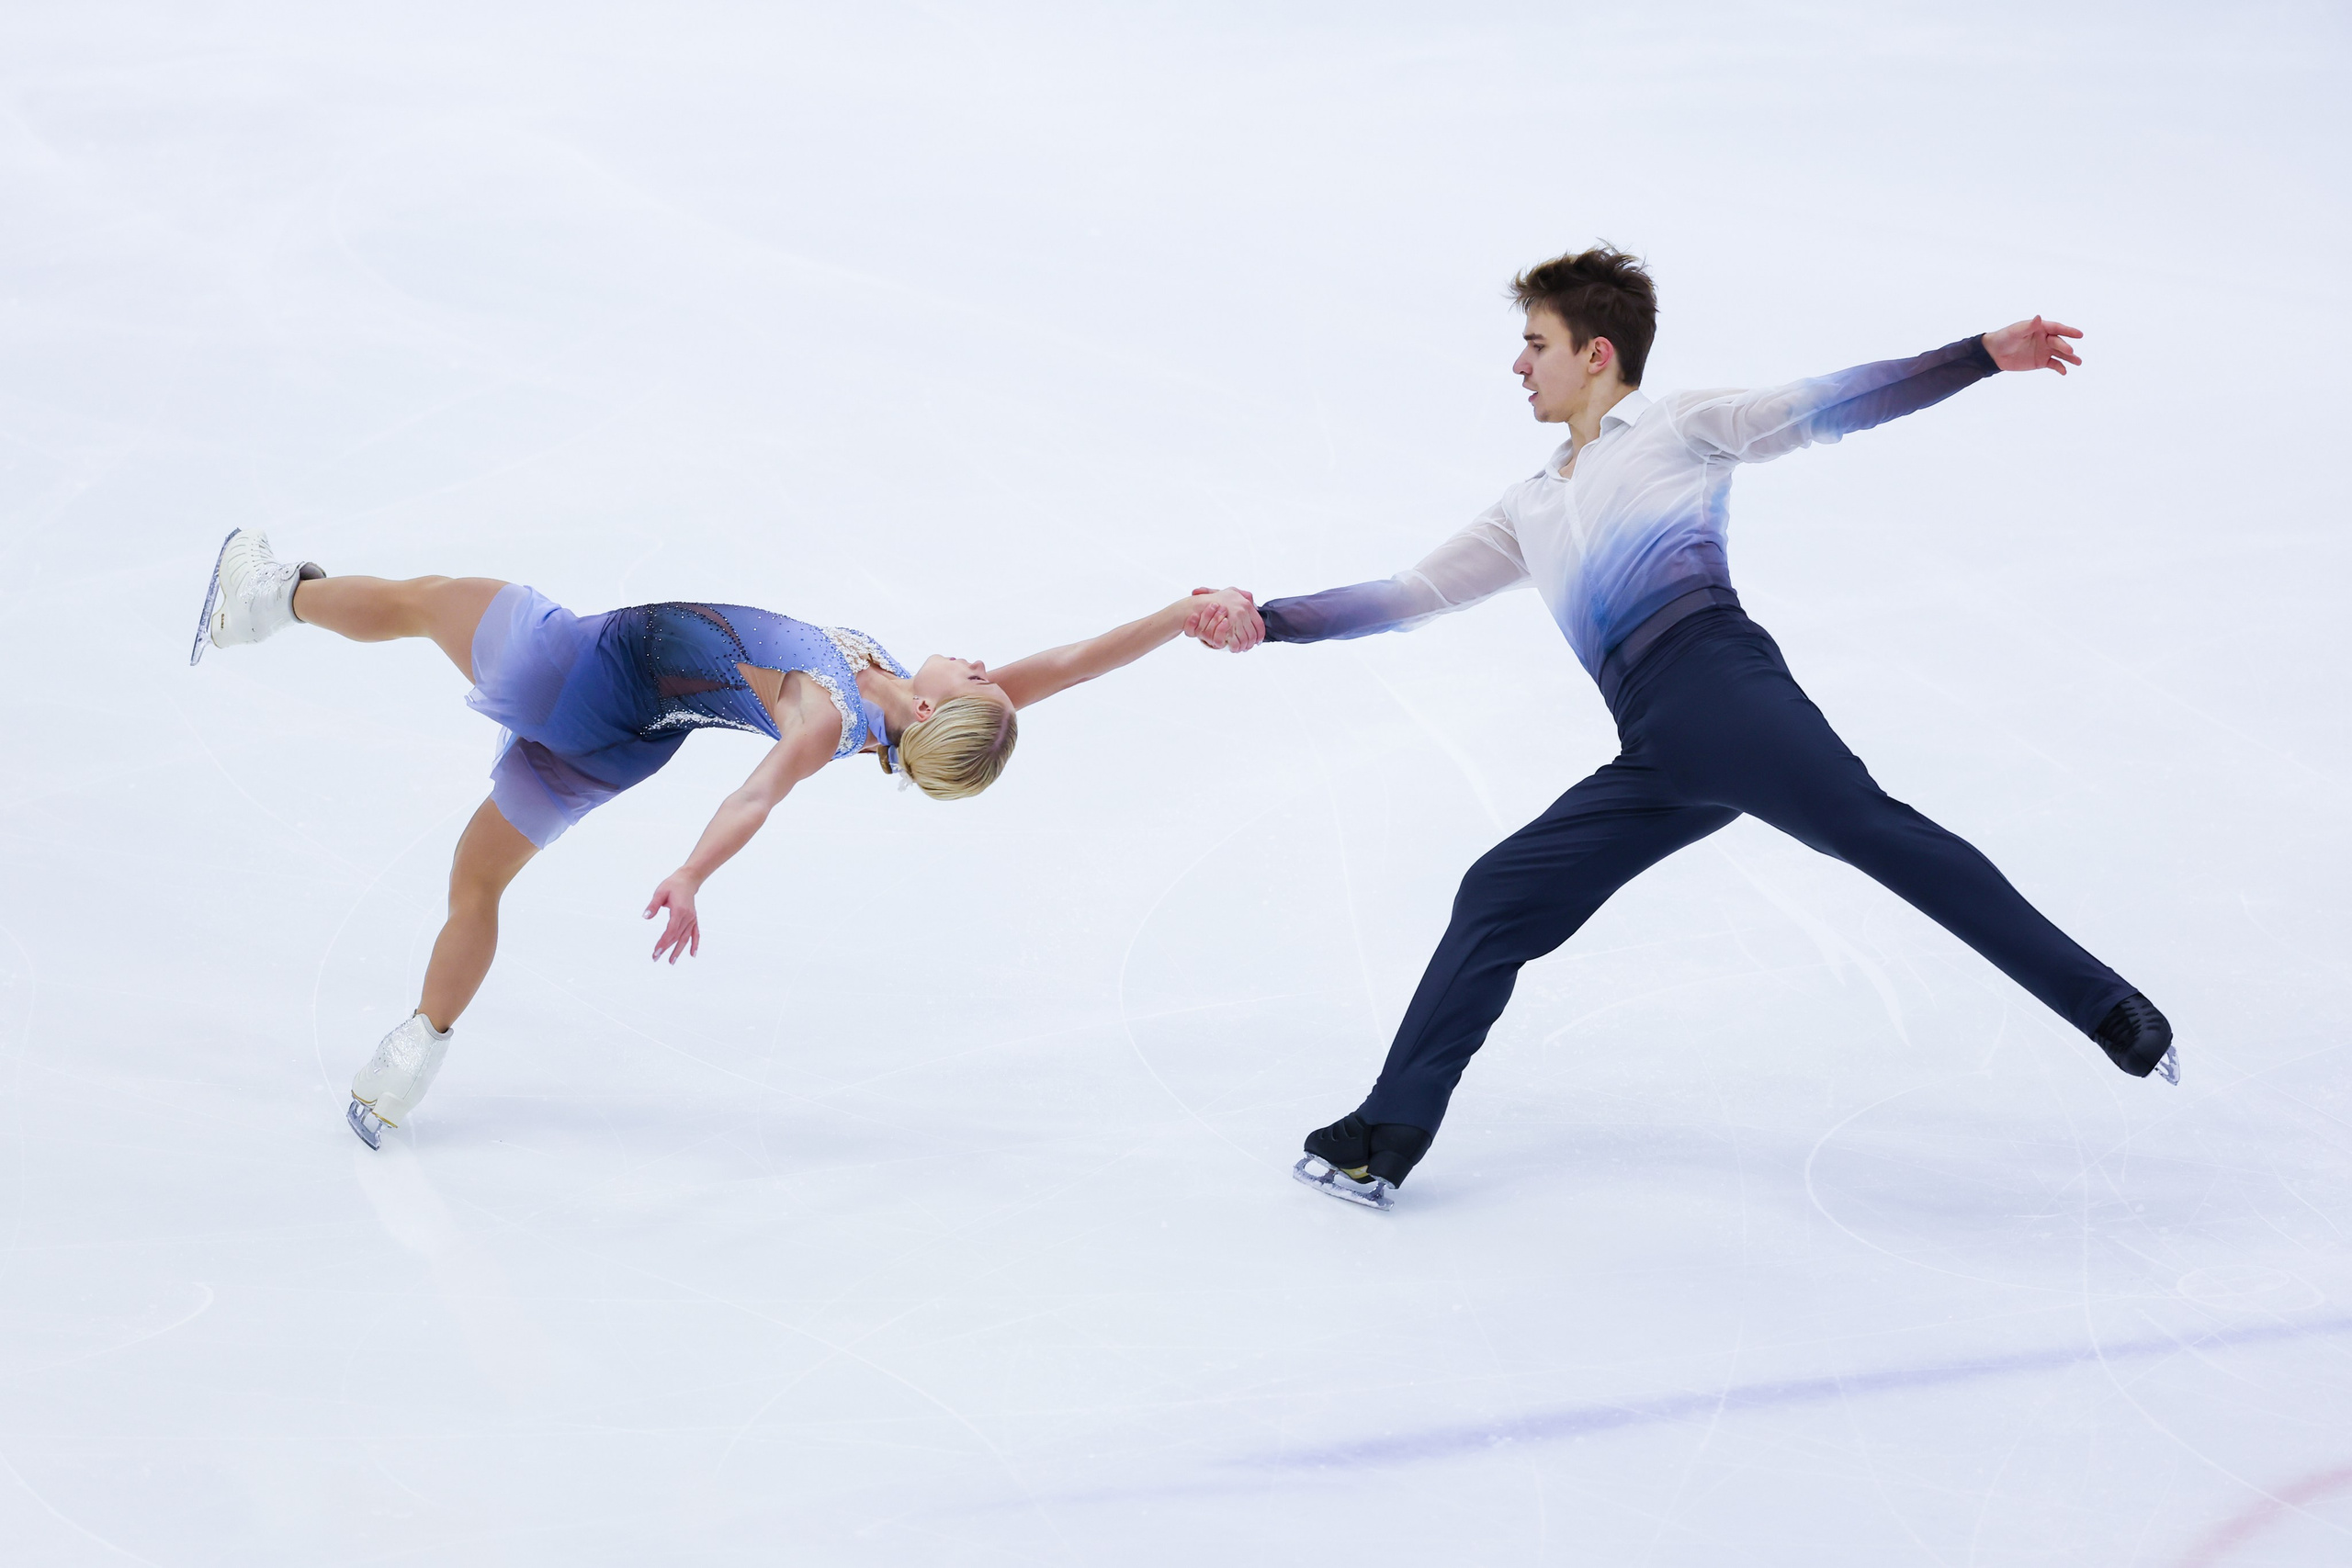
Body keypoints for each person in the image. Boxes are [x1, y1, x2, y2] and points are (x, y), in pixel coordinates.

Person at [1189, 245, 2177, 1212]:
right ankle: (1385, 1135)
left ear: (1597, 355)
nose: (1517, 365)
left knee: (1877, 834)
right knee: (1497, 893)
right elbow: (1412, 593)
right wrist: (1271, 619)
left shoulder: (1681, 427)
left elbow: (1826, 406)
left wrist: (1973, 355)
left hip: (1724, 693)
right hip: (1655, 748)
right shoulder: (1529, 505)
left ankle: (2110, 1010)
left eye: (1535, 343)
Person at [190, 529, 1255, 1147]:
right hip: (617, 744)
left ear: (934, 715)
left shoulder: (829, 714)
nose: (983, 662)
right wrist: (1178, 613)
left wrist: (694, 870)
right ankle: (407, 1061)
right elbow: (1063, 666)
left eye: (978, 678)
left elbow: (757, 793)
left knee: (429, 602)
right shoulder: (893, 716)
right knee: (477, 884)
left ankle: (266, 602)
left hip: (577, 670)